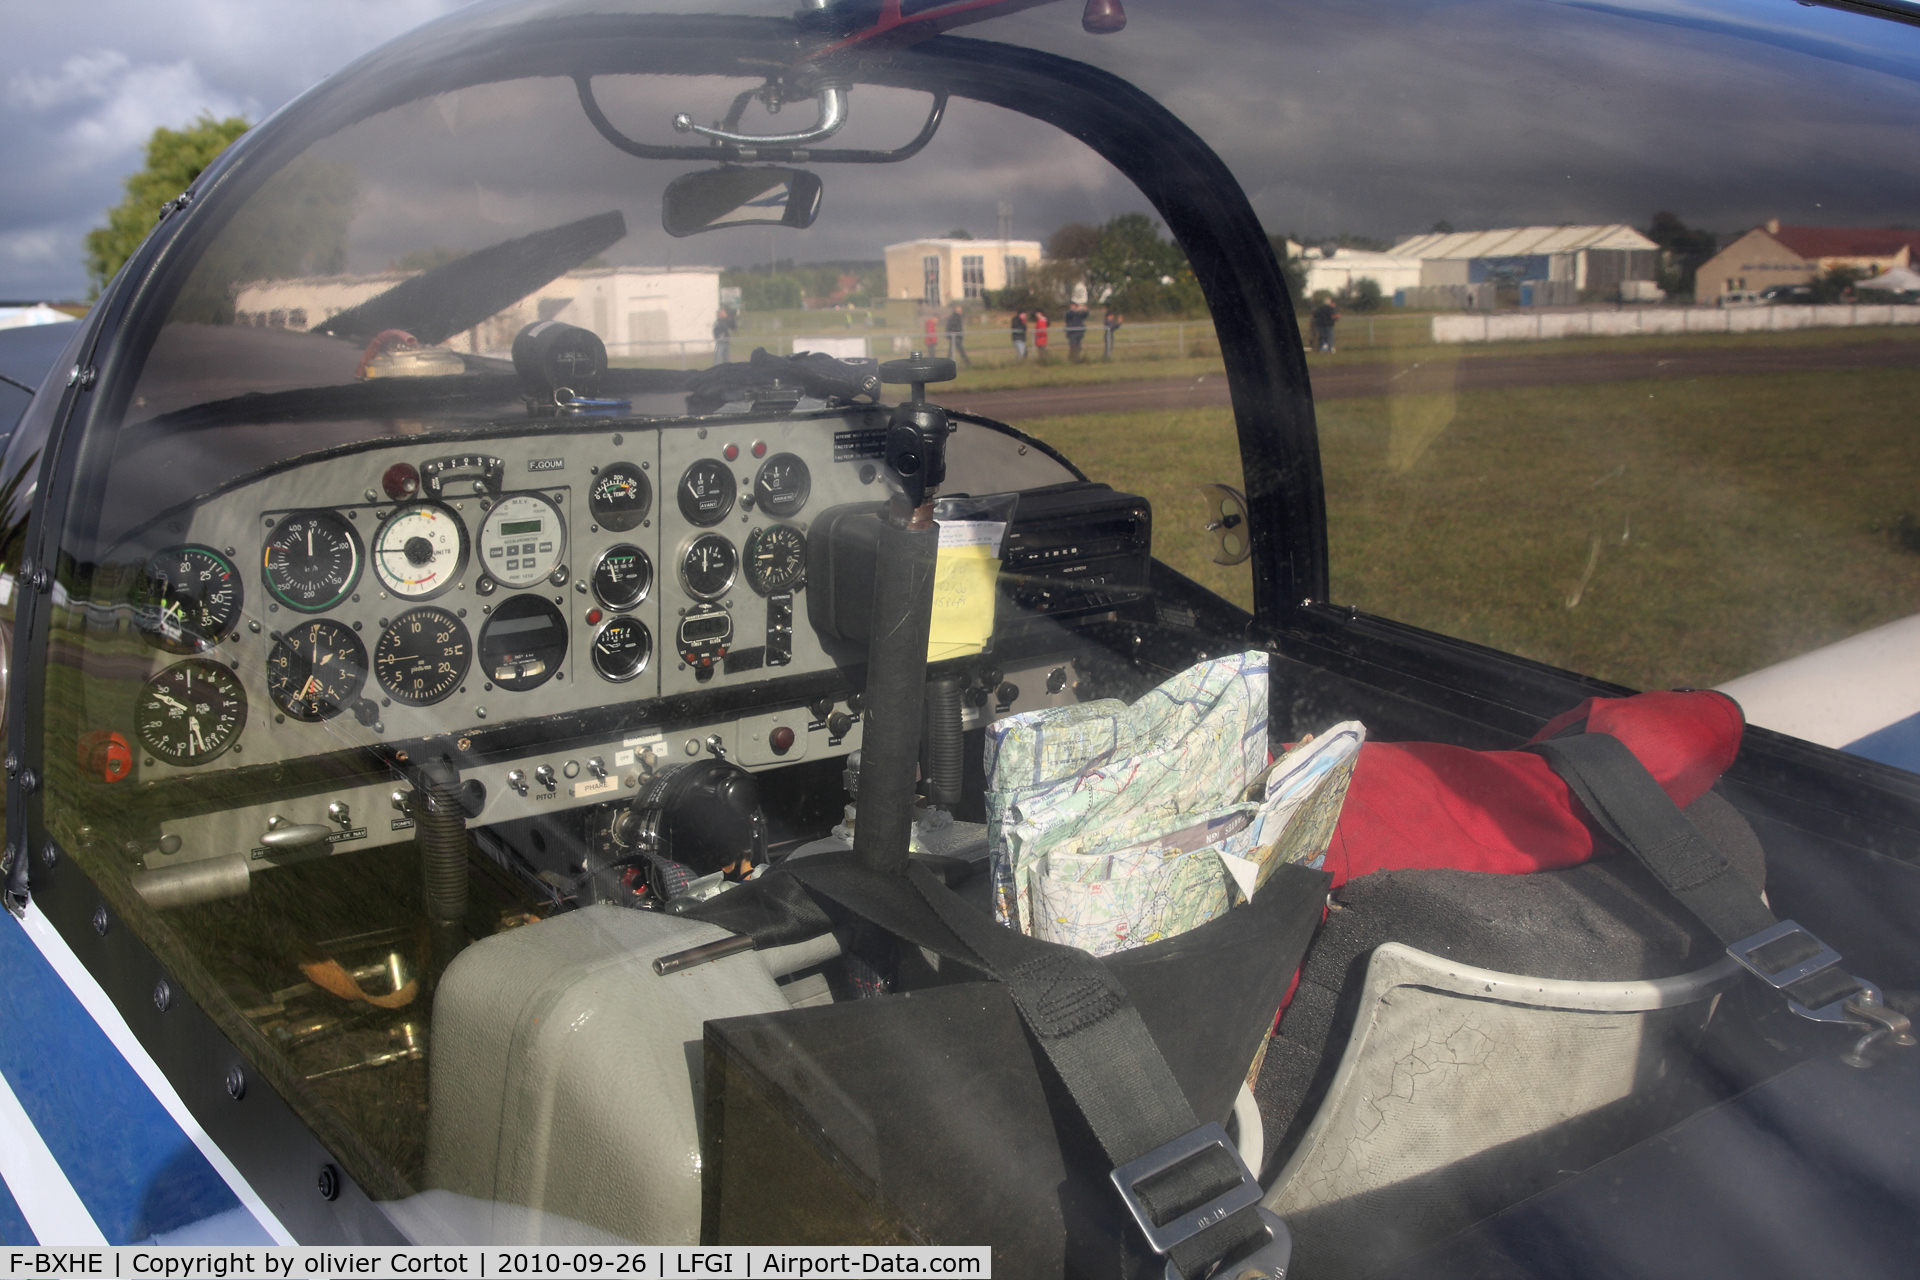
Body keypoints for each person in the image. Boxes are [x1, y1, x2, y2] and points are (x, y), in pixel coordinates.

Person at [945, 303, 971, 367]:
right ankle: (967, 362)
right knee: (957, 350)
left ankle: (948, 363)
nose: (961, 310)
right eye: (960, 308)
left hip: (956, 336)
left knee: (953, 351)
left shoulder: (956, 316)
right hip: (955, 337)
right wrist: (955, 333)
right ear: (956, 309)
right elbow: (952, 326)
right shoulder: (955, 316)